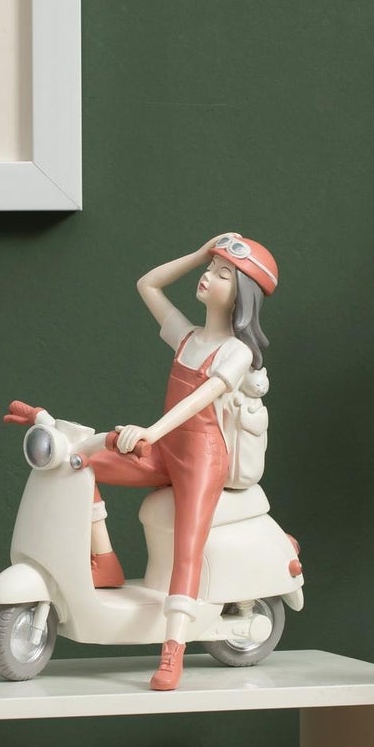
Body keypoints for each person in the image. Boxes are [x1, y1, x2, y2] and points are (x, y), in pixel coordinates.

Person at [87, 232, 277, 691]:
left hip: (202, 458)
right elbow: (147, 285)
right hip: (167, 451)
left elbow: (202, 398)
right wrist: (197, 254)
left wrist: (151, 432)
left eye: (223, 274)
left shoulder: (237, 351)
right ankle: (105, 560)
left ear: (243, 293)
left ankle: (173, 650)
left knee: (187, 548)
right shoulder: (187, 336)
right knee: (83, 465)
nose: (208, 277)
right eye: (210, 270)